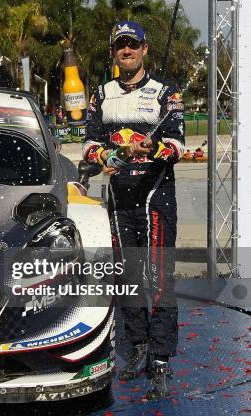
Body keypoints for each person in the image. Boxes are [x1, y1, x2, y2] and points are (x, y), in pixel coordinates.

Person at [82, 21, 185, 400]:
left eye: (133, 45)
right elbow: (88, 145)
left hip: (155, 197)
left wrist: (151, 149)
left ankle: (160, 360)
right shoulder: (101, 94)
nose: (127, 51)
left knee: (159, 279)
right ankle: (137, 345)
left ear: (145, 49)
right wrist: (107, 154)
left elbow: (177, 144)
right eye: (120, 46)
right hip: (119, 199)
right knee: (126, 278)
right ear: (113, 52)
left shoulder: (165, 92)